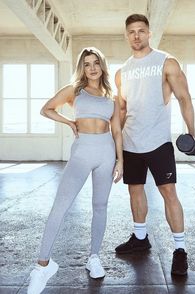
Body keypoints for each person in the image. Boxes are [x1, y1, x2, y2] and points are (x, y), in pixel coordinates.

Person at [27, 47, 123, 294]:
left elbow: (117, 131)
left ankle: (94, 257)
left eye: (96, 63)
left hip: (106, 152)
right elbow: (46, 109)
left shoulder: (111, 96)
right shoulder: (74, 90)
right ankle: (42, 266)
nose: (91, 68)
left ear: (102, 66)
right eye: (87, 63)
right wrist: (69, 121)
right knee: (60, 206)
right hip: (82, 152)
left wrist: (120, 160)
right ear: (82, 67)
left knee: (100, 206)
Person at [114, 14, 195, 276]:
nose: (136, 35)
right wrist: (114, 143)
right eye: (131, 32)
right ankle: (140, 238)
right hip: (130, 141)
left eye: (141, 30)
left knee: (169, 193)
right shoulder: (121, 72)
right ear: (126, 36)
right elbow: (122, 110)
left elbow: (184, 98)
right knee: (135, 191)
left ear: (149, 33)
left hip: (159, 142)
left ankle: (180, 250)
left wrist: (191, 135)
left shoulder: (166, 62)